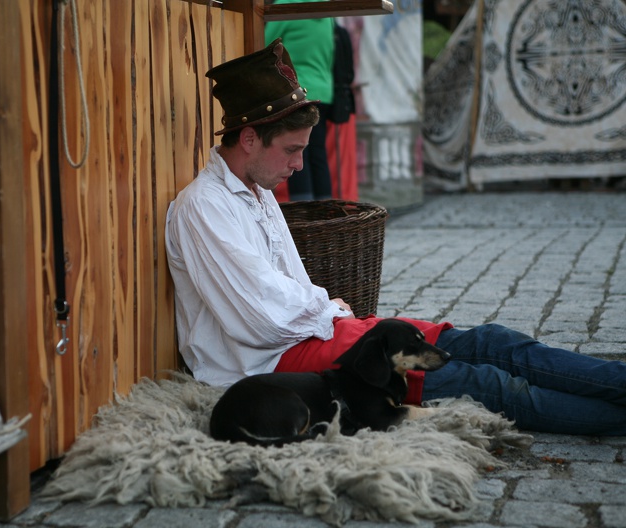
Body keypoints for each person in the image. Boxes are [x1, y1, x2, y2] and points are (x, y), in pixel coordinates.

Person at [165, 38, 626, 435]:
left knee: (490, 341)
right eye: (291, 150)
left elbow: (293, 291)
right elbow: (264, 320)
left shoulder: (257, 191)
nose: (299, 166)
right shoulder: (204, 207)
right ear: (248, 139)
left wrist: (329, 311)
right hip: (270, 365)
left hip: (316, 334)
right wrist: (329, 308)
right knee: (488, 384)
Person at [265, 0, 334, 201]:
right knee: (318, 154)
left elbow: (265, 46)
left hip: (296, 91)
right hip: (324, 90)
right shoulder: (328, 11)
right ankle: (325, 211)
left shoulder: (287, 4)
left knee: (296, 151)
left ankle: (304, 211)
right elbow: (329, 56)